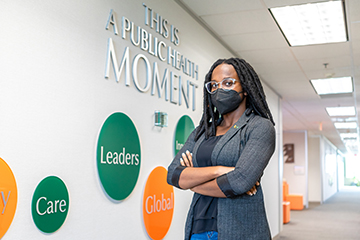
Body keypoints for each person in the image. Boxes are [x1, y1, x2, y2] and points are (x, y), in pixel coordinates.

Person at [167, 58, 276, 240]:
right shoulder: (203, 131)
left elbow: (239, 182)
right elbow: (173, 175)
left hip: (239, 230)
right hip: (198, 229)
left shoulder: (260, 127)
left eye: (228, 83)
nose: (219, 90)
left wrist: (191, 180)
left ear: (246, 88)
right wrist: (220, 171)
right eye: (214, 85)